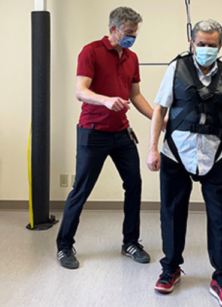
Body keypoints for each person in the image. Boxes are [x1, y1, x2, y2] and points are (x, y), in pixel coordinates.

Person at [147, 19, 222, 307]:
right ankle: (170, 268)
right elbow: (159, 110)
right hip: (175, 153)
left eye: (212, 45)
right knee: (171, 213)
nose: (207, 49)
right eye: (202, 44)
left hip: (213, 153)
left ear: (220, 46)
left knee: (221, 218)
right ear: (192, 43)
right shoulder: (176, 68)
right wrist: (152, 149)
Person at [56, 6, 153, 270]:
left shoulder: (131, 57)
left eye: (135, 33)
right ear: (114, 29)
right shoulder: (91, 51)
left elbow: (136, 95)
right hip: (93, 132)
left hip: (121, 134)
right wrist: (106, 100)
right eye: (129, 32)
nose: (133, 37)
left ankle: (130, 242)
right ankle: (64, 246)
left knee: (134, 184)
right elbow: (80, 91)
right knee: (81, 190)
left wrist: (158, 119)